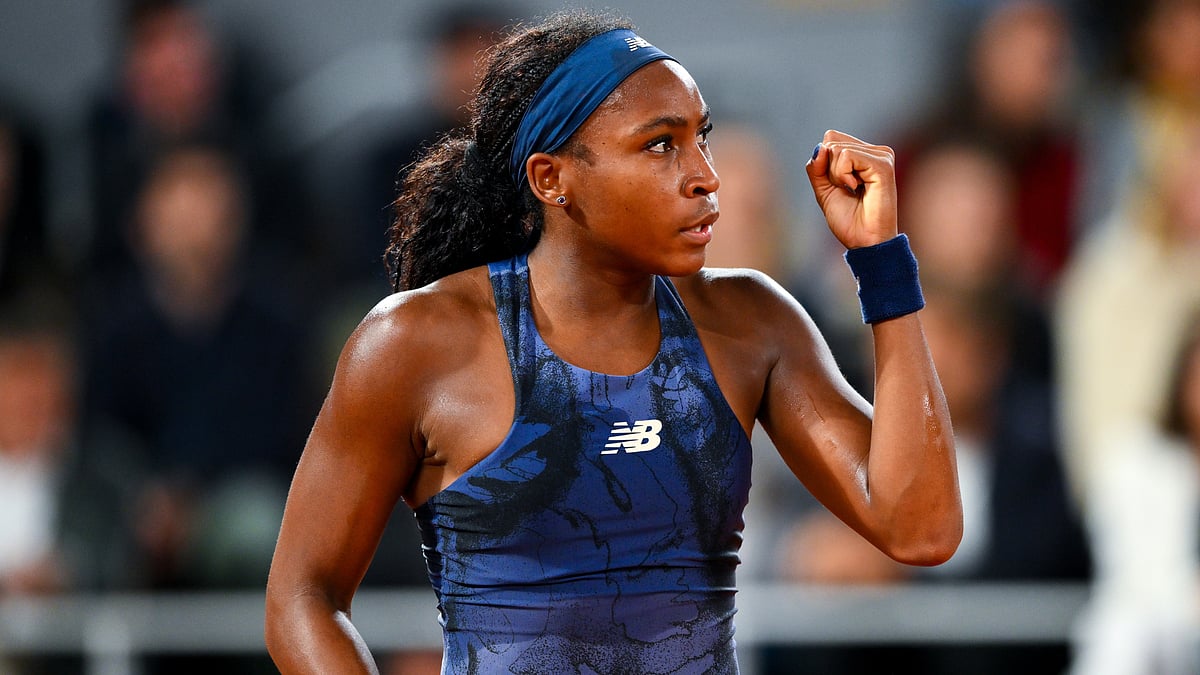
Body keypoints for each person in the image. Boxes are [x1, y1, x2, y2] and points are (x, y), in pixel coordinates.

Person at [265, 10, 962, 674]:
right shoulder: (415, 342)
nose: (705, 175)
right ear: (552, 178)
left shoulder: (753, 321)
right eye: (660, 145)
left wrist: (882, 263)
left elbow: (920, 529)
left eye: (701, 137)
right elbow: (302, 597)